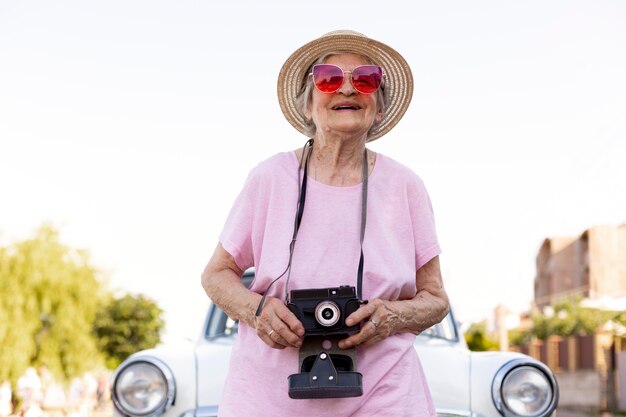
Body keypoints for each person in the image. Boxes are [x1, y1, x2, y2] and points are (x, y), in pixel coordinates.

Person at [201, 30, 449, 417]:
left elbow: (436, 299)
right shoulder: (269, 177)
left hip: (385, 393)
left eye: (365, 79)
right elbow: (216, 275)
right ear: (308, 105)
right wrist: (258, 310)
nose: (347, 89)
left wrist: (392, 316)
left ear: (378, 107)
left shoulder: (406, 186)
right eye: (329, 78)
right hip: (266, 396)